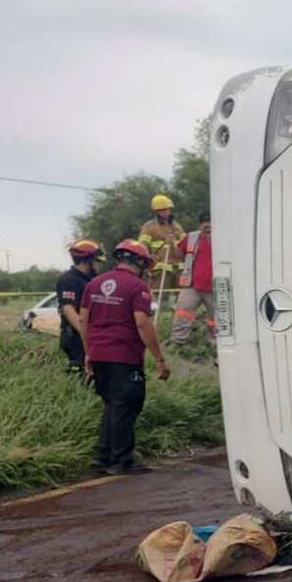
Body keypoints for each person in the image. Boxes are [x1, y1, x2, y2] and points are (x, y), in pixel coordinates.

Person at [82, 240, 171, 475]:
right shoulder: (137, 286)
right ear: (139, 261)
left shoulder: (94, 284)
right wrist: (160, 358)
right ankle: (121, 460)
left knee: (112, 405)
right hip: (124, 356)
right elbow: (142, 323)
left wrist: (89, 352)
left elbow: (84, 320)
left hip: (99, 354)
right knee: (127, 405)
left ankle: (102, 457)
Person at [56, 239, 102, 374]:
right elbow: (69, 310)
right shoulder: (70, 280)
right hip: (75, 337)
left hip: (86, 335)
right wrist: (86, 334)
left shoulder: (86, 280)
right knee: (81, 376)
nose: (99, 265)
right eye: (97, 261)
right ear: (86, 261)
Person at [170, 213, 215, 345]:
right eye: (204, 223)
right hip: (192, 285)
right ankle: (177, 342)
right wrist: (171, 244)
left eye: (210, 223)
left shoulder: (225, 237)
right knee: (183, 312)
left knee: (216, 319)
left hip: (216, 287)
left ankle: (216, 345)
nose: (208, 226)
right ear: (200, 225)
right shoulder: (192, 237)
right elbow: (178, 254)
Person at [138, 194, 186, 296]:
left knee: (181, 298)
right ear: (156, 211)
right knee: (159, 298)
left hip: (178, 268)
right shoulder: (149, 227)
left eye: (167, 209)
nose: (165, 212)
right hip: (159, 269)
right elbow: (142, 247)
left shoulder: (177, 226)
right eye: (161, 210)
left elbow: (185, 245)